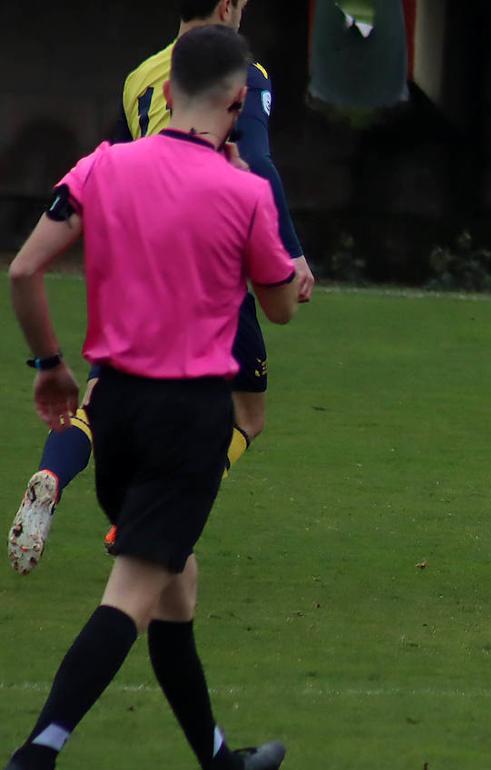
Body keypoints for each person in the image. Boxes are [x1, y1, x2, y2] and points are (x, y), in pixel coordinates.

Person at [5, 26, 295, 770]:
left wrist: (49, 367)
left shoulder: (104, 165)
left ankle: (220, 759)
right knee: (132, 595)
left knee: (176, 583)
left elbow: (24, 271)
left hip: (116, 409)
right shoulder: (245, 191)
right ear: (239, 101)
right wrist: (292, 270)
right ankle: (36, 754)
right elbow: (282, 303)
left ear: (166, 95)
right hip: (190, 419)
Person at [9, 0, 314, 573]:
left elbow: (129, 160)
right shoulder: (241, 72)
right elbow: (259, 163)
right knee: (247, 416)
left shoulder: (139, 77)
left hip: (134, 262)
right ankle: (150, 518)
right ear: (225, 7)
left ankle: (53, 471)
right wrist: (291, 251)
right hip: (210, 263)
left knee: (104, 400)